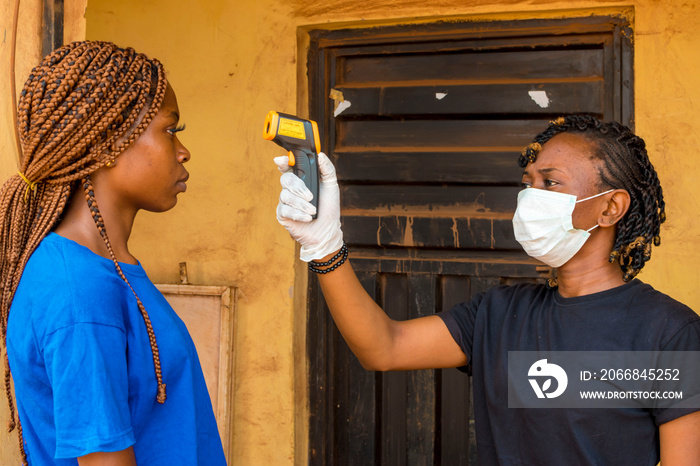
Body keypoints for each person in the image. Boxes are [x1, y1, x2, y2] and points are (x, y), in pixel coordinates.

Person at [275, 115, 700, 465]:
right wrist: (325, 247)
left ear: (610, 207)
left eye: (550, 183)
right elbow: (384, 347)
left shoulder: (667, 332)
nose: (531, 196)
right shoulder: (498, 314)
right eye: (528, 182)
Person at [0, 41, 226, 465]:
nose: (183, 150)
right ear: (109, 140)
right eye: (170, 129)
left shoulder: (106, 269)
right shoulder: (77, 289)